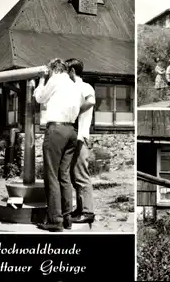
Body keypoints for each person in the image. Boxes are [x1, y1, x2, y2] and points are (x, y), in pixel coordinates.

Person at [33, 58, 84, 232]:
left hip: (56, 130)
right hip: (71, 131)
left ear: (52, 70)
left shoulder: (54, 80)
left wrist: (41, 79)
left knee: (52, 175)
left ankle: (55, 220)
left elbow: (39, 97)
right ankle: (67, 218)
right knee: (64, 176)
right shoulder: (74, 85)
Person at [65, 58, 96, 228]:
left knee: (81, 175)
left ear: (72, 71)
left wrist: (75, 111)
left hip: (80, 136)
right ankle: (80, 208)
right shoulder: (72, 88)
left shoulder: (84, 86)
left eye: (66, 72)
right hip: (73, 136)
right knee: (74, 175)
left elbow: (91, 101)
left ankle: (87, 212)